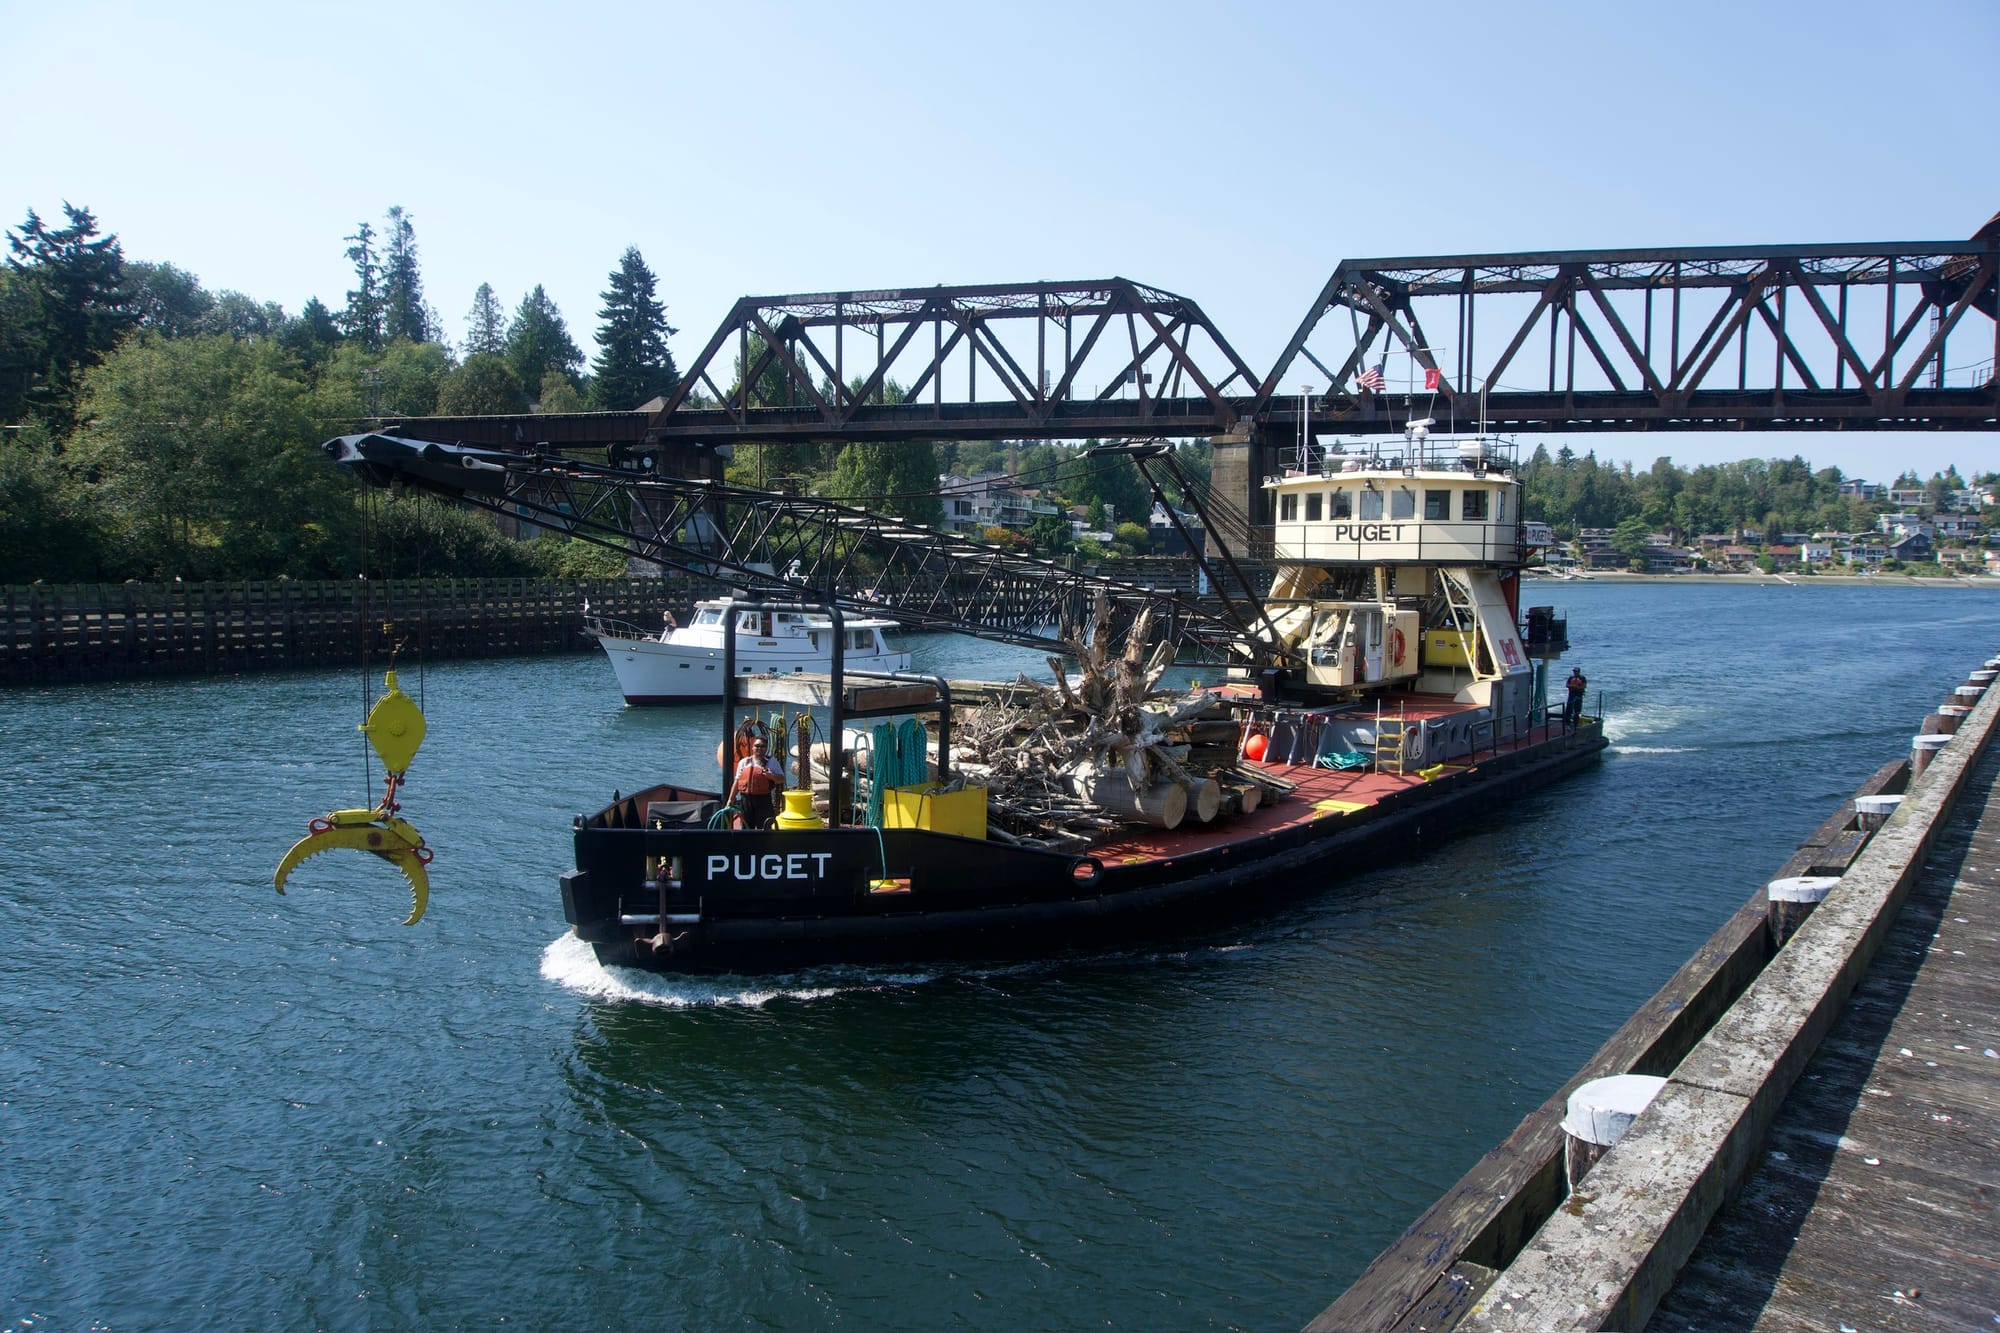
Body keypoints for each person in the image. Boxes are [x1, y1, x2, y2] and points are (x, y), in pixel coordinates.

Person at [731, 737, 785, 828]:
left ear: (766, 748)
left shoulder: (772, 762)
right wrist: (731, 799)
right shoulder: (744, 762)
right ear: (752, 747)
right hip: (746, 801)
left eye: (762, 746)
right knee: (746, 827)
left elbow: (781, 779)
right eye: (757, 746)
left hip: (763, 800)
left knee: (764, 827)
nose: (759, 748)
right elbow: (737, 781)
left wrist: (771, 776)